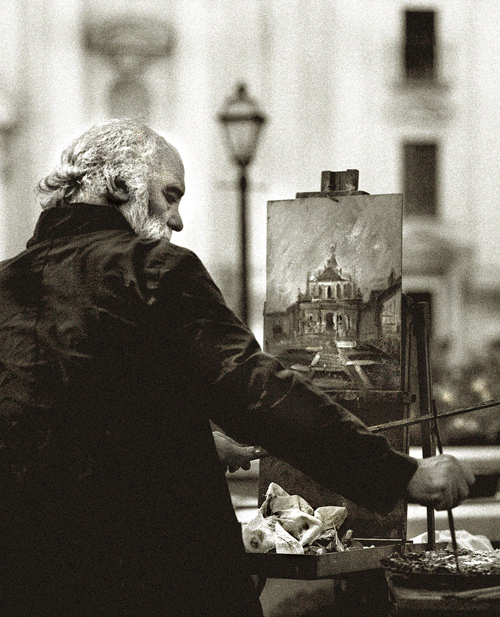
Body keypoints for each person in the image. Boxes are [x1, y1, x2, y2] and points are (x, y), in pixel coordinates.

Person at [0, 119, 474, 617]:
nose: (176, 220)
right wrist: (398, 473)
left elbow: (57, 414)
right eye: (170, 194)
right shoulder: (153, 269)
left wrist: (189, 438)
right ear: (120, 185)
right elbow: (258, 391)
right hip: (150, 579)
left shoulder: (7, 283)